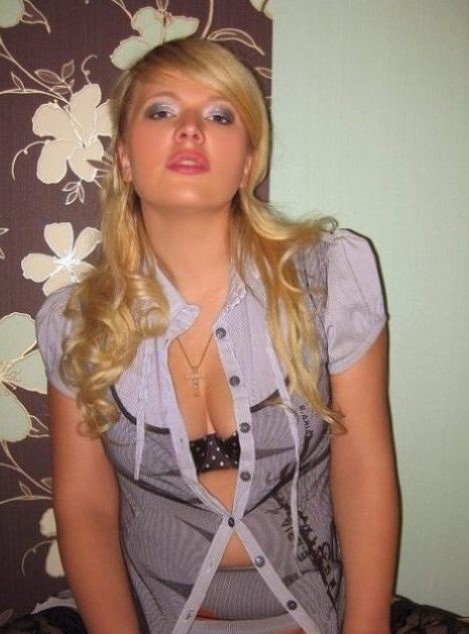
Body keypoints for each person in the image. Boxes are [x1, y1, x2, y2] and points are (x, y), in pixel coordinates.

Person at [36, 38, 399, 634]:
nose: (189, 129)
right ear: (124, 157)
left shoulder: (329, 278)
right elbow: (86, 508)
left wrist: (366, 627)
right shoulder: (77, 324)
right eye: (161, 111)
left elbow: (362, 466)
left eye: (220, 115)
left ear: (249, 161)